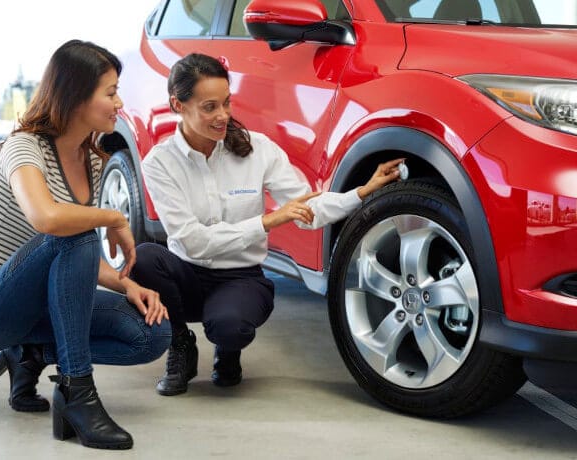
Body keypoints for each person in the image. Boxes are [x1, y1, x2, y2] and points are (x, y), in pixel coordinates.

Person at [132, 53, 403, 396]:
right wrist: (266, 221)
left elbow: (307, 209)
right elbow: (192, 242)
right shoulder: (159, 163)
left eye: (226, 104)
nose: (223, 116)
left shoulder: (258, 150)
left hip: (239, 277)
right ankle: (180, 344)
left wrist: (362, 192)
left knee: (230, 327)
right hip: (186, 275)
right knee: (143, 258)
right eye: (209, 107)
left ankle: (228, 352)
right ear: (178, 104)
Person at [0, 40, 171, 450]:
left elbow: (73, 256)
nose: (119, 102)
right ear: (75, 96)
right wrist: (114, 217)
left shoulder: (95, 161)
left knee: (150, 333)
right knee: (76, 228)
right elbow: (48, 220)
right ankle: (77, 392)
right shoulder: (24, 148)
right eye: (110, 92)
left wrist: (128, 285)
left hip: (36, 306)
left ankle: (29, 354)